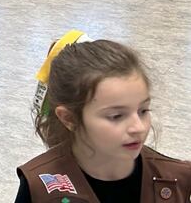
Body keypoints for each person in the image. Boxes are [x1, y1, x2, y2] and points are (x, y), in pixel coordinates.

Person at [16, 37, 191, 202]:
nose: (138, 127)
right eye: (116, 116)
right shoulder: (39, 186)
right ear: (69, 118)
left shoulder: (176, 180)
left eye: (143, 111)